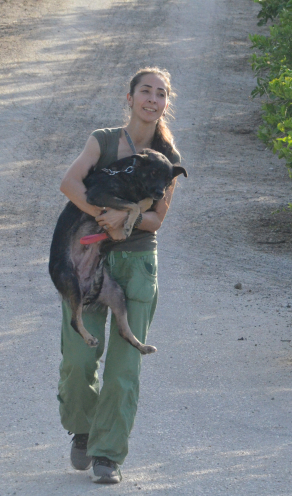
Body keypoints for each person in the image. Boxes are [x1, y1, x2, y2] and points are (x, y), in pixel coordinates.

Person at [56, 67, 182, 484]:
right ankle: (84, 427)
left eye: (160, 94)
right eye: (145, 91)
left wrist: (124, 223)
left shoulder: (169, 159)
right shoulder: (104, 140)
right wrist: (100, 215)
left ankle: (108, 455)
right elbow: (71, 184)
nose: (152, 99)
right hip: (87, 261)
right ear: (129, 98)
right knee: (78, 360)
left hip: (137, 262)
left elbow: (156, 220)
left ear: (166, 103)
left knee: (124, 367)